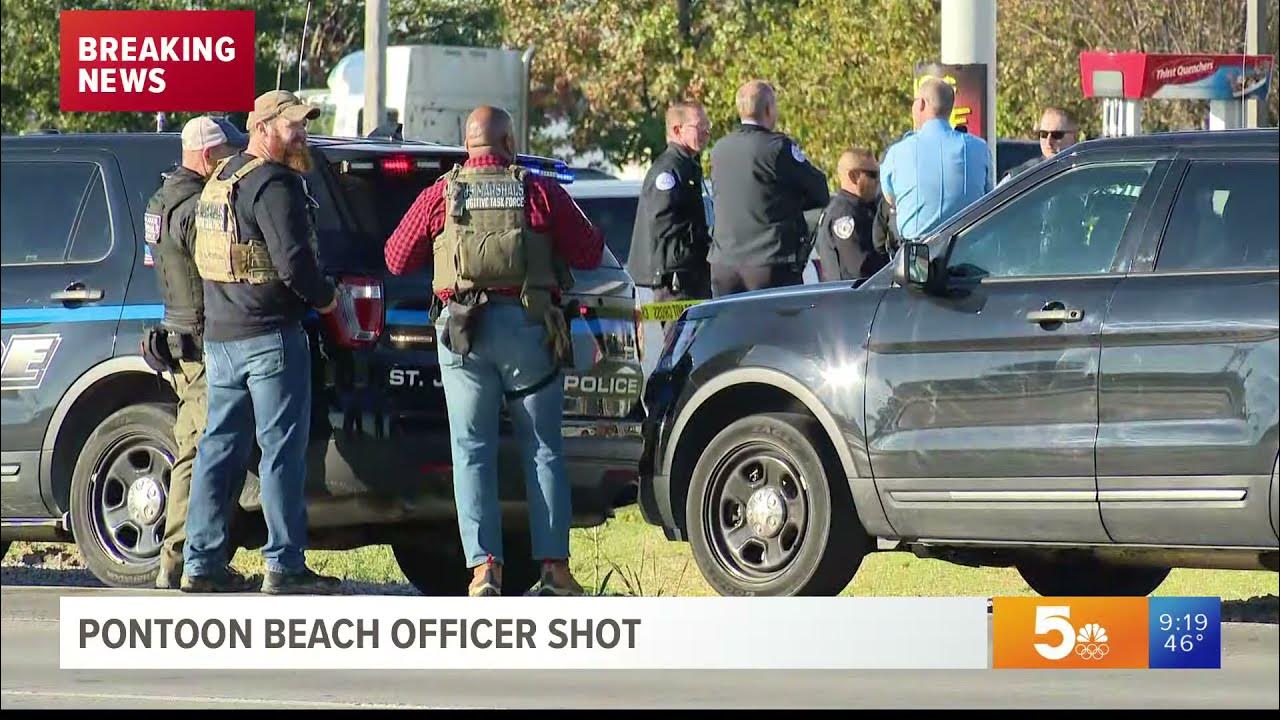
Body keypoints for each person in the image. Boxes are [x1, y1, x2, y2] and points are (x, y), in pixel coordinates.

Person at [384, 106, 604, 597]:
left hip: (464, 334)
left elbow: (396, 259)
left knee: (471, 452)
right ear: (509, 144)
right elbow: (590, 252)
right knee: (544, 451)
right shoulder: (541, 192)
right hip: (529, 330)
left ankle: (484, 570)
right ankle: (555, 571)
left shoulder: (440, 194)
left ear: (468, 145)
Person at [183, 90, 340, 595]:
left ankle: (200, 562)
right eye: (293, 125)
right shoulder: (274, 184)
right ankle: (284, 565)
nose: (302, 133)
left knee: (218, 450)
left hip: (223, 338)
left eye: (304, 125)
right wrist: (328, 301)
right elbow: (294, 262)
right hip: (270, 337)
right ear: (263, 127)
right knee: (281, 454)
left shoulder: (220, 180)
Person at [141, 116, 246, 589]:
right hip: (203, 346)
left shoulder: (161, 200)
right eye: (227, 155)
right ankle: (184, 558)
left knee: (193, 447)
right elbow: (218, 271)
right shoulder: (197, 206)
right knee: (205, 451)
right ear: (208, 157)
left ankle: (177, 557)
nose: (232, 163)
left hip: (180, 341)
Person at [708, 80, 829, 297]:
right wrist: (790, 201)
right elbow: (819, 191)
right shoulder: (777, 148)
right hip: (769, 263)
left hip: (724, 265)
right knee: (781, 330)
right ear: (768, 109)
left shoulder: (719, 149)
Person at [880, 78, 991, 243]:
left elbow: (891, 199)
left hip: (917, 256)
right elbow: (987, 194)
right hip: (967, 251)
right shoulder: (979, 148)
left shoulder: (897, 153)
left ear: (921, 104)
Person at [627, 100, 712, 302]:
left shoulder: (687, 166)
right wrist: (699, 242)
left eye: (707, 127)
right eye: (700, 127)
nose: (706, 133)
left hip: (691, 276)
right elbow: (663, 225)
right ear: (677, 129)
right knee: (683, 333)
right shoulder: (669, 171)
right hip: (676, 282)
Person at [814, 148, 887, 282]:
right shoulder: (844, 215)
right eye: (872, 175)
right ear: (854, 176)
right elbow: (861, 268)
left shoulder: (861, 209)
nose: (878, 180)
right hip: (854, 298)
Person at [1000, 107, 1079, 184]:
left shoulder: (1086, 172)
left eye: (1056, 135)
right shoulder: (1019, 178)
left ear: (1074, 137)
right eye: (1043, 134)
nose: (1048, 142)